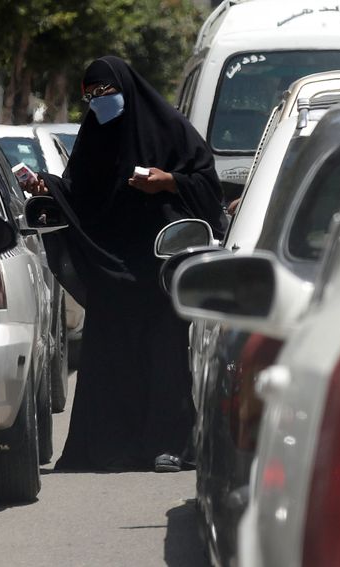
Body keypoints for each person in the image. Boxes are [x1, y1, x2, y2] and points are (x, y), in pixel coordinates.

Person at [23, 56, 226, 472]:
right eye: (91, 95)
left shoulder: (170, 129)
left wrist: (166, 181)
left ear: (126, 90)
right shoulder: (96, 136)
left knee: (164, 357)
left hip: (158, 266)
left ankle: (168, 445)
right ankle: (109, 448)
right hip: (112, 273)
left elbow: (208, 186)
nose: (99, 102)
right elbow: (81, 192)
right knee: (110, 358)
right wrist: (50, 186)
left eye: (106, 92)